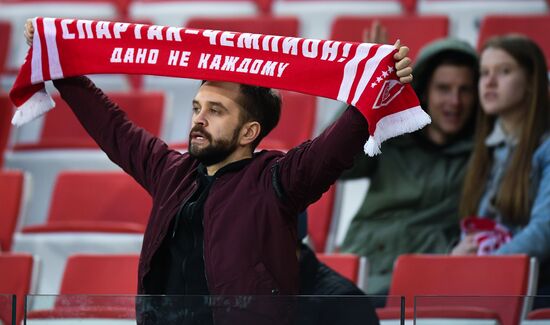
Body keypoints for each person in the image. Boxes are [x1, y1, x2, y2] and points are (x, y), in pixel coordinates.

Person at [24, 21, 413, 324]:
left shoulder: (277, 180)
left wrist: (378, 85)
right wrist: (59, 63)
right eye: (197, 107)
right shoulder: (169, 171)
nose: (198, 119)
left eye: (215, 111)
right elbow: (112, 127)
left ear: (249, 132)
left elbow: (333, 149)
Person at [339, 23, 479, 301]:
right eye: (444, 89)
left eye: (465, 90)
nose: (455, 101)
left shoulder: (482, 156)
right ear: (425, 92)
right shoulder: (391, 135)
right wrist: (365, 96)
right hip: (357, 268)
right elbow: (338, 164)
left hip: (416, 282)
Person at [452, 34, 550, 307]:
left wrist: (483, 267)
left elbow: (544, 232)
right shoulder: (485, 149)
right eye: (484, 73)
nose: (489, 82)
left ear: (531, 82)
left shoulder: (546, 148)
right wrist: (458, 255)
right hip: (488, 283)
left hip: (537, 286)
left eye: (504, 71)